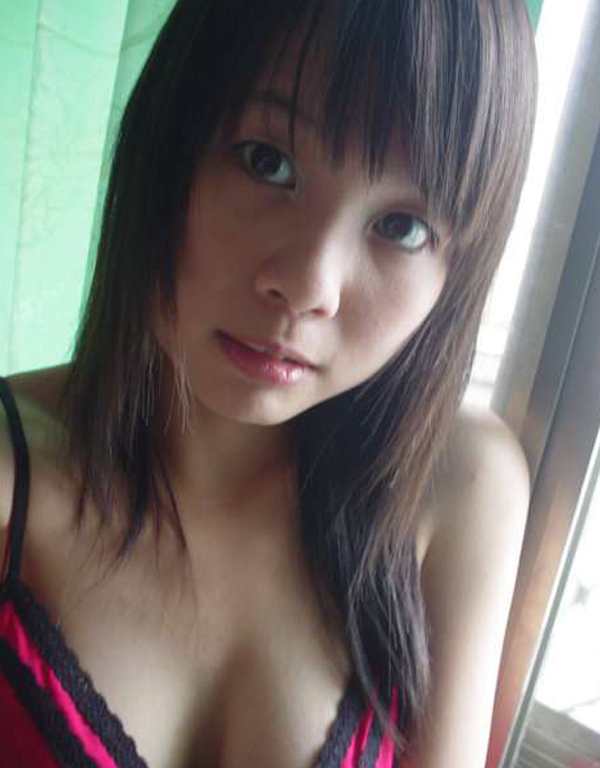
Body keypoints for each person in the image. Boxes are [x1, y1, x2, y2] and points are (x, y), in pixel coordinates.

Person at [0, 0, 537, 766]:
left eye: (402, 226)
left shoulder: (457, 487)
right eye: (266, 161)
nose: (309, 284)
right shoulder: (13, 471)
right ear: (170, 143)